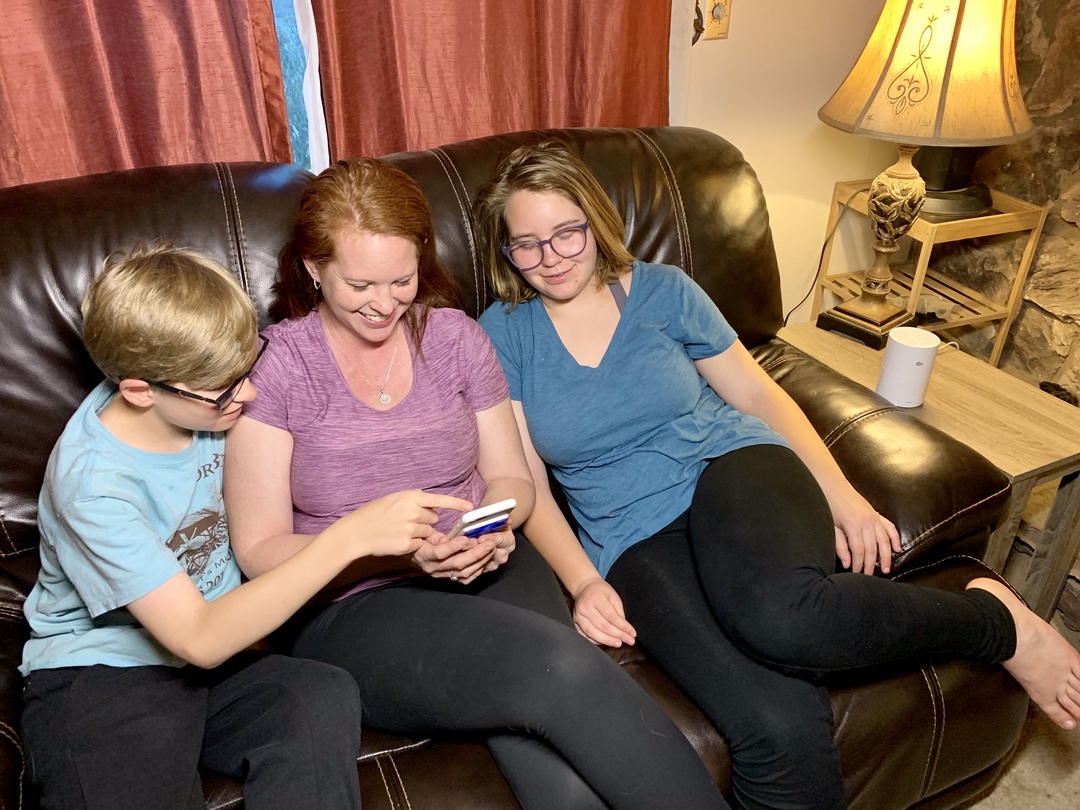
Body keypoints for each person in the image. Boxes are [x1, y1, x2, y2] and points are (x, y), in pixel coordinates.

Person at [474, 141, 1080, 810]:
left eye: (567, 232)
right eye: (525, 245)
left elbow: (760, 395)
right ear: (505, 253)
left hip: (729, 466)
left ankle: (996, 622)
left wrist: (842, 495)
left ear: (596, 221)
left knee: (781, 618)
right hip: (630, 537)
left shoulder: (663, 291)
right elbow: (525, 480)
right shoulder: (502, 335)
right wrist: (583, 581)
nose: (550, 257)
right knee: (774, 725)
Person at [222, 157, 729, 810]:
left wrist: (483, 529)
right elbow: (259, 549)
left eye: (402, 280)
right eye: (360, 285)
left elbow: (512, 478)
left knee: (556, 752)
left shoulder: (457, 339)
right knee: (559, 669)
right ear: (314, 269)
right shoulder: (279, 366)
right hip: (352, 604)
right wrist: (392, 549)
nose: (384, 304)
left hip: (484, 562)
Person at [20, 242, 466, 810]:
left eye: (245, 368)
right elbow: (200, 637)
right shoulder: (94, 483)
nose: (248, 394)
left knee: (317, 693)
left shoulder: (194, 391)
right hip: (106, 675)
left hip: (220, 664)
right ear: (139, 390)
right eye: (225, 388)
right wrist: (348, 539)